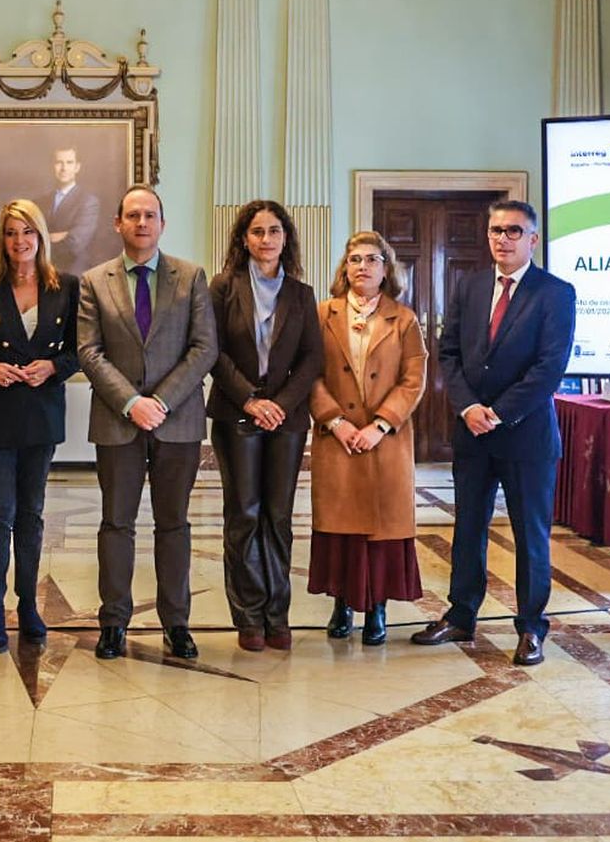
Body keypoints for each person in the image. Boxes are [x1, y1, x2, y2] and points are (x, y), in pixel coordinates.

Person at [411, 200, 576, 667]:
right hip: (473, 435)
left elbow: (549, 369)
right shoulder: (471, 285)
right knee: (467, 530)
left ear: (533, 240)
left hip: (526, 436)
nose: (502, 239)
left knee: (530, 535)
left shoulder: (555, 293)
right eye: (495, 231)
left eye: (512, 231)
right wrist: (467, 406)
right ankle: (461, 614)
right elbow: (448, 354)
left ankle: (530, 628)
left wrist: (498, 413)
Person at [77, 185, 217, 660]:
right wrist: (132, 401)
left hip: (177, 423)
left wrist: (160, 401)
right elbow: (88, 352)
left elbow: (204, 348)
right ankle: (113, 622)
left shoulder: (192, 276)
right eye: (133, 215)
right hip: (118, 422)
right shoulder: (95, 280)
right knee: (116, 524)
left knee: (173, 524)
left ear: (162, 223)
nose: (142, 223)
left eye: (150, 215)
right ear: (117, 223)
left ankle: (176, 623)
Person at [0, 199, 80, 651]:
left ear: (41, 236)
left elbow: (78, 351)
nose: (19, 241)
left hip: (41, 416)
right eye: (10, 232)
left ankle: (28, 604)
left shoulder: (66, 286)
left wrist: (53, 368)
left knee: (31, 514)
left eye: (27, 232)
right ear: (1, 239)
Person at [206, 200, 323, 652]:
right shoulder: (222, 287)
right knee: (244, 513)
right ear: (244, 239)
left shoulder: (302, 294)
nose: (266, 239)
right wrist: (252, 401)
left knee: (278, 515)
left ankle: (278, 613)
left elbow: (312, 357)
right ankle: (249, 614)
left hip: (287, 419)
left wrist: (279, 404)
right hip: (237, 413)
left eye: (275, 231)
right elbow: (213, 351)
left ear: (286, 238)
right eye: (257, 231)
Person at [307, 231, 426, 648]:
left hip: (385, 441)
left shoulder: (404, 318)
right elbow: (309, 374)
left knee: (381, 527)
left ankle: (377, 607)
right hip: (337, 439)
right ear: (344, 268)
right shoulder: (322, 313)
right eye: (355, 259)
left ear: (385, 268)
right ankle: (341, 603)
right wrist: (335, 421)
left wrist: (379, 425)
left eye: (372, 259)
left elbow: (413, 380)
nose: (363, 266)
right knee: (340, 526)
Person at [34, 147, 101, 275]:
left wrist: (44, 239)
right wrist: (62, 235)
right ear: (53, 166)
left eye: (69, 162)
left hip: (74, 274)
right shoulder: (41, 202)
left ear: (77, 167)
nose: (64, 168)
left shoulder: (88, 201)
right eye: (59, 162)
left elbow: (75, 243)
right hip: (43, 273)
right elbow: (31, 239)